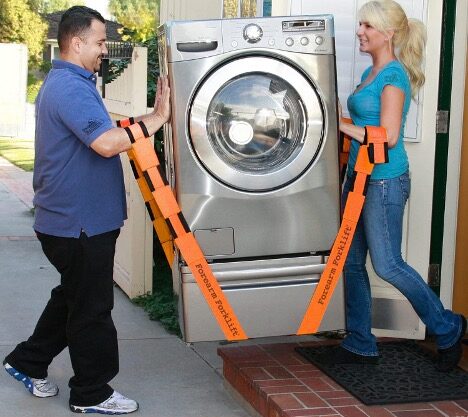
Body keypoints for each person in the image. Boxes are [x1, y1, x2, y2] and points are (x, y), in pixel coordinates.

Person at [3, 6, 170, 414]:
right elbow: (107, 143)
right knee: (92, 308)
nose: (103, 51)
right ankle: (91, 393)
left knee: (74, 296)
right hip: (78, 224)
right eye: (98, 42)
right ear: (76, 43)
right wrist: (158, 117)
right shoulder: (70, 89)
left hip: (76, 222)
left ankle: (26, 361)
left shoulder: (72, 82)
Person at [329, 0, 466, 371]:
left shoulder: (394, 76)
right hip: (357, 178)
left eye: (368, 26)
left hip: (384, 181)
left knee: (388, 265)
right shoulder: (370, 74)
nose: (360, 32)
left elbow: (387, 137)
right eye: (360, 25)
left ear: (388, 33)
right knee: (351, 262)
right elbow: (361, 125)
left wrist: (338, 123)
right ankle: (360, 340)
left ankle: (447, 326)